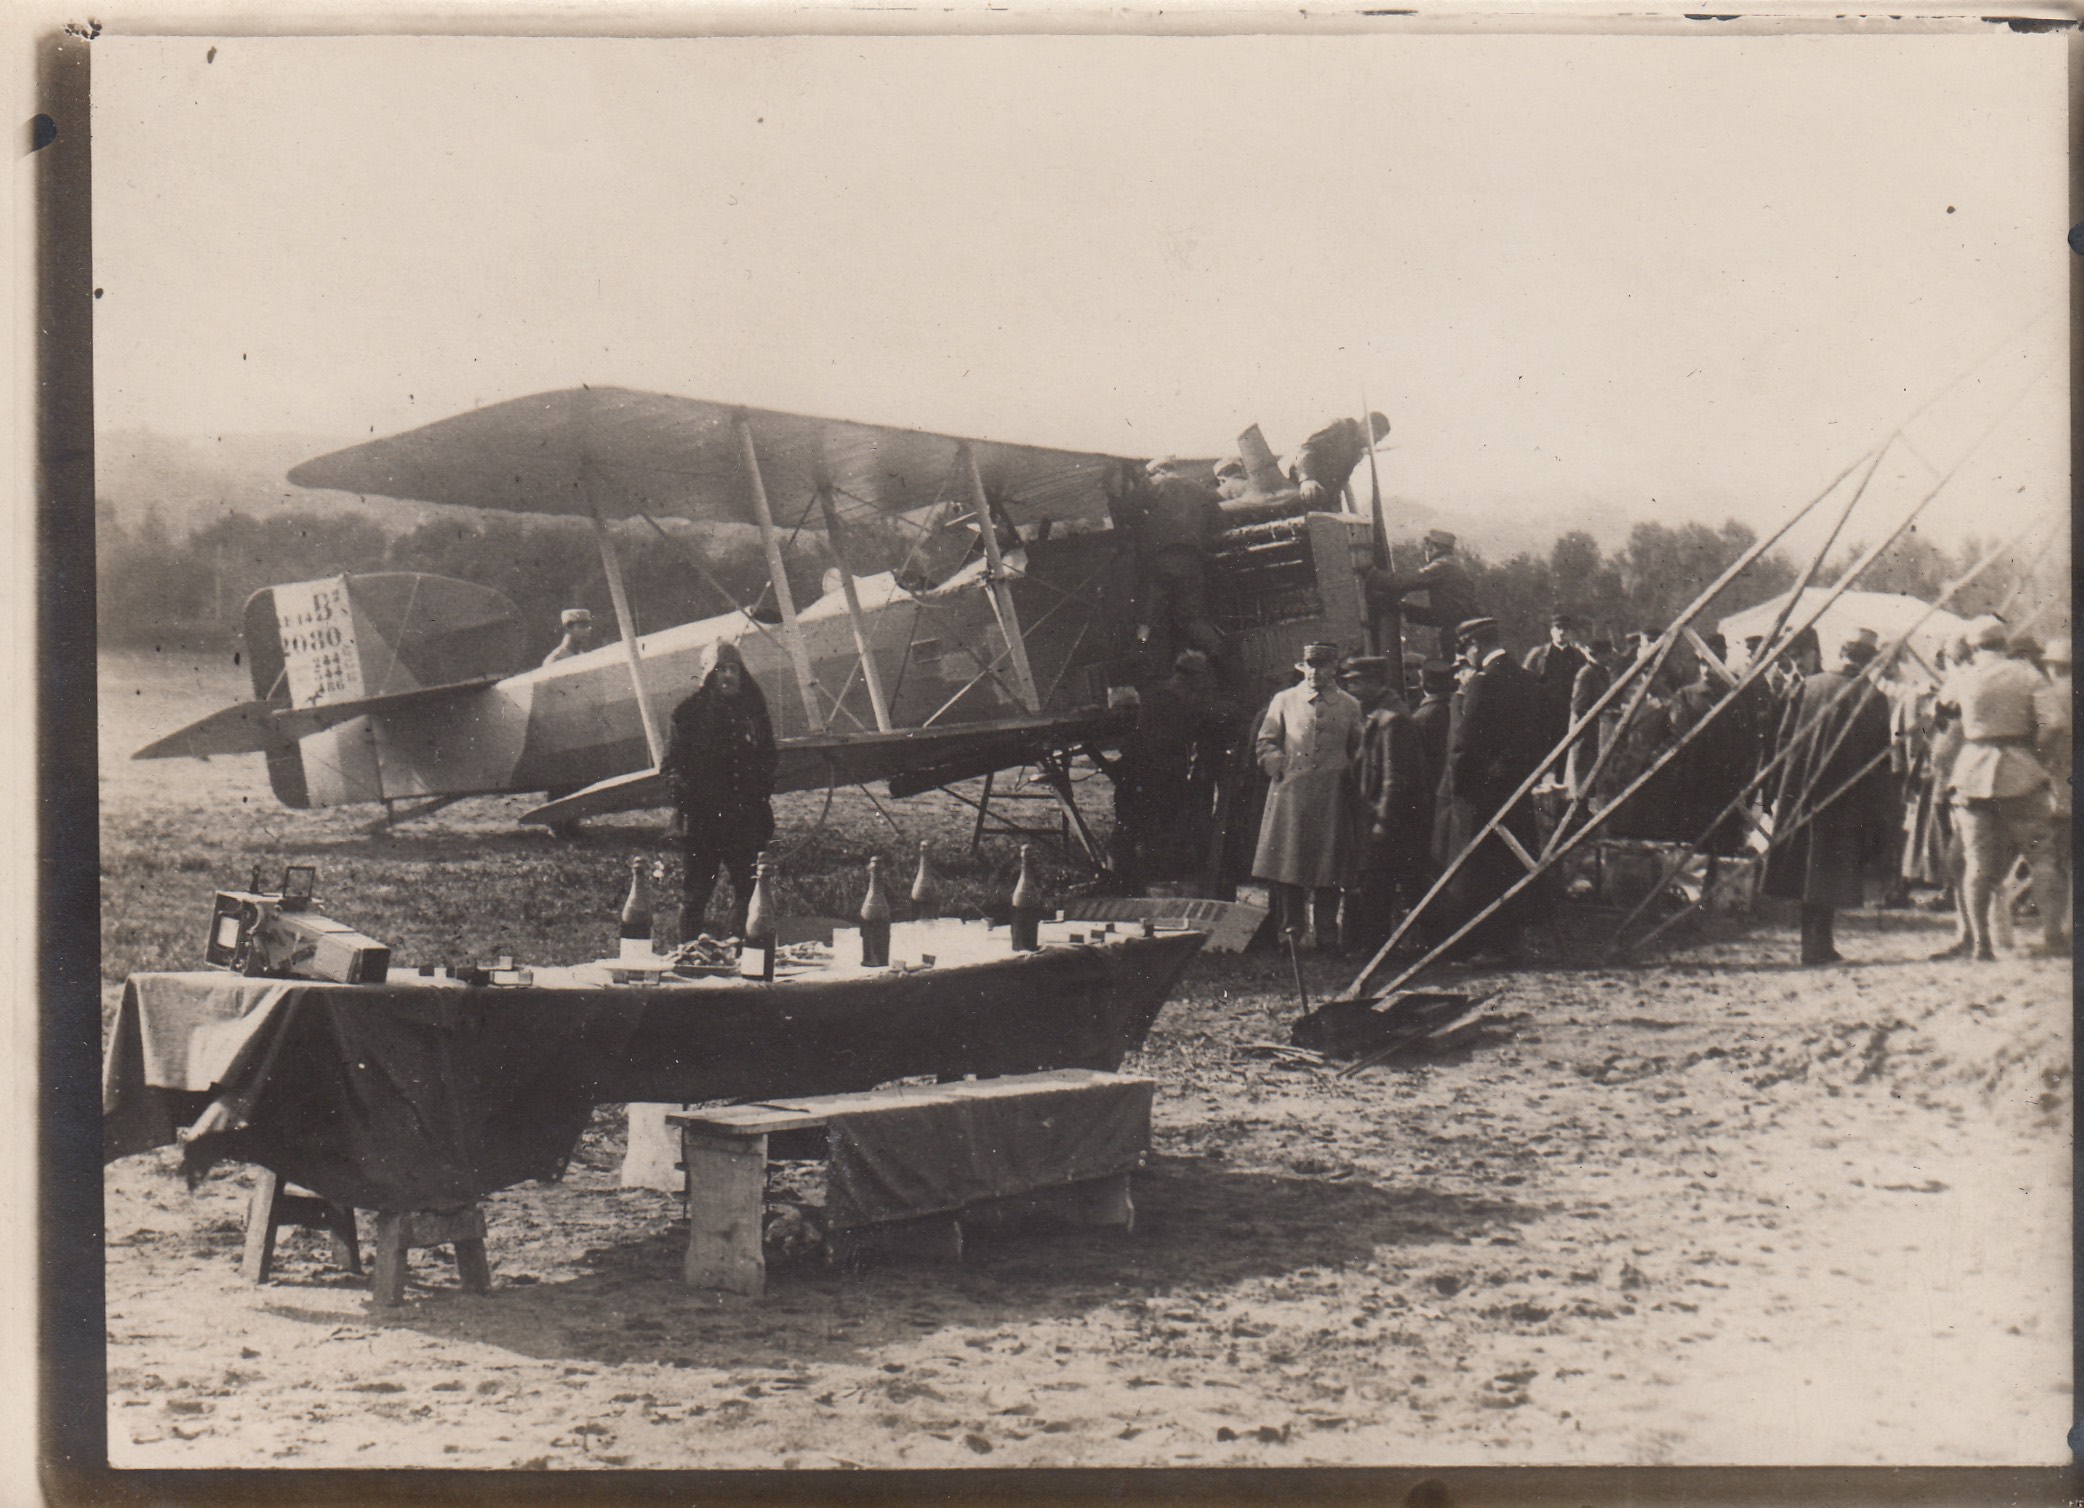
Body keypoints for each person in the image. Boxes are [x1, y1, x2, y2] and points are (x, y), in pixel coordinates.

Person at [1762, 631, 1895, 966]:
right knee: (1828, 868)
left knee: (1807, 864)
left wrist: (1778, 789)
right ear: (1869, 659)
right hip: (1845, 795)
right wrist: (1880, 806)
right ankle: (1817, 946)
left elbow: (1782, 742)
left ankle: (1816, 944)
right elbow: (1880, 761)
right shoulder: (1872, 696)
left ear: (1842, 652)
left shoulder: (1808, 686)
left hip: (1800, 788)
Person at [1931, 617, 2060, 959]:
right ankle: (2053, 937)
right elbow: (2054, 723)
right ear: (2004, 644)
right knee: (2041, 857)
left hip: (1972, 774)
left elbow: (1942, 722)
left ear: (1973, 647)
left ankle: (1980, 943)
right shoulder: (2027, 673)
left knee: (1977, 864)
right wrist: (2036, 756)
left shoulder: (1963, 677)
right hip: (2020, 774)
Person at [1436, 617, 1547, 954]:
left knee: (1475, 869)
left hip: (1479, 794)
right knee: (1511, 864)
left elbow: (1463, 743)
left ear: (1474, 646)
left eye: (1465, 649)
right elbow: (1539, 735)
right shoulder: (1527, 679)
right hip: (1514, 790)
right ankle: (1509, 941)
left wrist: (1456, 787)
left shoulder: (1482, 684)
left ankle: (1478, 944)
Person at [1252, 642, 1365, 950]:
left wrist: (1350, 776)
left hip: (1332, 798)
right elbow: (1266, 741)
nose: (1315, 672)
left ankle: (1327, 932)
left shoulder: (1349, 705)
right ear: (1303, 667)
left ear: (1333, 669)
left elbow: (1359, 748)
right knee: (1290, 866)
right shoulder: (1284, 700)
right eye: (1310, 665)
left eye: (1322, 666)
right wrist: (1278, 766)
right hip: (1292, 795)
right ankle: (1291, 932)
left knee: (1330, 867)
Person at [662, 640, 778, 939]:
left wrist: (758, 794)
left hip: (745, 820)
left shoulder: (754, 711)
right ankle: (687, 954)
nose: (728, 676)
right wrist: (687, 797)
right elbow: (671, 767)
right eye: (721, 669)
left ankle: (740, 953)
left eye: (733, 670)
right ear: (709, 675)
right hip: (703, 823)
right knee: (696, 895)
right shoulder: (687, 714)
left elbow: (768, 757)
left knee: (749, 892)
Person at [1114, 649, 1234, 884]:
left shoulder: (1158, 691)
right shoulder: (1182, 699)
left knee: (1129, 825)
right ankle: (1152, 878)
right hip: (1158, 772)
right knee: (1158, 827)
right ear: (1195, 676)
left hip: (1134, 769)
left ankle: (1123, 877)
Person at [1339, 655, 1432, 953]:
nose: (1351, 690)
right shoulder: (1377, 714)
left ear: (1372, 683)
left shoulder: (1392, 720)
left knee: (1386, 883)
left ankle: (1378, 946)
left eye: (1355, 683)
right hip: (1381, 816)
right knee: (1388, 882)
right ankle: (1379, 945)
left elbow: (1395, 777)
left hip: (1393, 820)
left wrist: (1383, 821)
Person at [1365, 530, 1480, 659]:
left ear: (1431, 548)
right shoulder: (1454, 566)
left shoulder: (1441, 566)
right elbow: (1444, 614)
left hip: (1456, 635)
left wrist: (1373, 574)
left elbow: (1404, 583)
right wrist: (1404, 608)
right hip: (1465, 632)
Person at [2031, 634, 2072, 953]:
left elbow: (2044, 741)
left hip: (2060, 788)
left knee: (2056, 862)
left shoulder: (2051, 696)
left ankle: (2056, 933)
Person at [1522, 610, 1595, 781]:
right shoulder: (1538, 654)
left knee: (1565, 757)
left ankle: (1561, 796)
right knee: (1538, 757)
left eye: (1565, 629)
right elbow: (1524, 681)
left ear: (1571, 632)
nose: (1562, 632)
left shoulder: (1578, 656)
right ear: (1551, 631)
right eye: (1558, 628)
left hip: (1566, 715)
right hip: (1542, 715)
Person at [1288, 411, 1390, 507]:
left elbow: (1340, 483)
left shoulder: (1357, 451)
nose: (1374, 444)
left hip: (1318, 496)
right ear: (1368, 427)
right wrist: (1307, 479)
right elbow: (1306, 449)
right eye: (1376, 439)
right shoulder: (1339, 427)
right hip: (1296, 487)